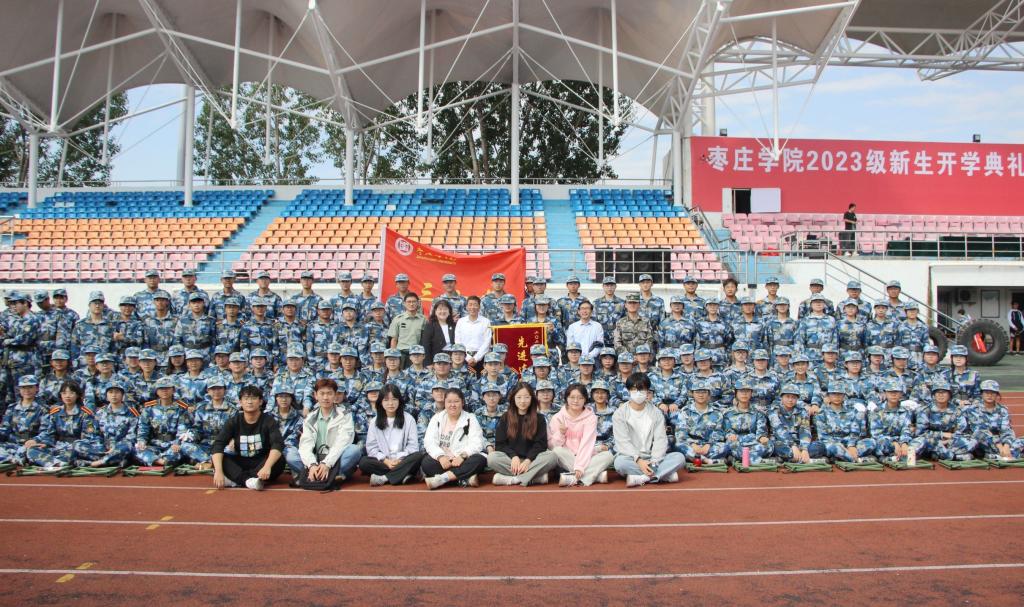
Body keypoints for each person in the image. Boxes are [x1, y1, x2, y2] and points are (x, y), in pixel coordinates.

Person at [612, 372, 686, 486]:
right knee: (620, 463)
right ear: (628, 391)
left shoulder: (656, 413)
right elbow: (623, 442)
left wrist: (654, 461)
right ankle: (662, 475)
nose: (638, 393)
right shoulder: (619, 414)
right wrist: (639, 460)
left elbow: (660, 439)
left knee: (679, 458)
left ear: (647, 391)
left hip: (652, 456)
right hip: (630, 457)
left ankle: (643, 477)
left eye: (642, 389)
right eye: (634, 389)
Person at [211, 385, 285, 490]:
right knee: (218, 458)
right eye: (246, 399)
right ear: (240, 402)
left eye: (253, 398)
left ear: (260, 402)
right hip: (241, 461)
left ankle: (237, 480)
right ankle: (250, 481)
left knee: (279, 460)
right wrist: (218, 472)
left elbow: (277, 444)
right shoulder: (234, 421)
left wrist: (267, 466)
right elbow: (218, 444)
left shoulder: (268, 421)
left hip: (261, 462)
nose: (249, 402)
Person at [488, 383, 559, 486]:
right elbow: (500, 444)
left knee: (552, 457)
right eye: (519, 397)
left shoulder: (539, 418)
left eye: (526, 397)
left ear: (532, 399)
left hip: (533, 460)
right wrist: (514, 457)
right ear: (513, 399)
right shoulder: (505, 417)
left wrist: (528, 460)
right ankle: (534, 478)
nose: (522, 401)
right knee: (492, 458)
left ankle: (514, 479)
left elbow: (541, 444)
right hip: (511, 461)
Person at [358, 384, 425, 486]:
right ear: (381, 402)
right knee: (364, 462)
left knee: (418, 456)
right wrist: (386, 461)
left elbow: (413, 446)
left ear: (399, 401)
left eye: (394, 399)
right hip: (384, 462)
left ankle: (384, 478)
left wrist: (398, 460)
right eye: (386, 400)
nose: (390, 403)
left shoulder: (409, 419)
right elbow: (371, 448)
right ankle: (402, 474)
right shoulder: (374, 421)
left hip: (403, 460)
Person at [421, 388, 487, 489]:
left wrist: (462, 456)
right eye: (449, 402)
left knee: (479, 460)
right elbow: (429, 442)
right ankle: (464, 479)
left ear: (462, 402)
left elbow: (477, 442)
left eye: (456, 401)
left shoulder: (470, 418)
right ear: (444, 403)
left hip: (462, 461)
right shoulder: (437, 418)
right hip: (443, 461)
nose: (453, 405)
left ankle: (443, 478)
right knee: (426, 463)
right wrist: (441, 457)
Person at [298, 378, 360, 486]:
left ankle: (325, 474)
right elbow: (306, 444)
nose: (325, 397)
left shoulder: (345, 414)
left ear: (335, 395)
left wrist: (327, 463)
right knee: (292, 455)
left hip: (336, 458)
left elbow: (343, 442)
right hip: (316, 458)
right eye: (322, 393)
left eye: (329, 393)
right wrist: (312, 464)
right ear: (315, 395)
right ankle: (324, 473)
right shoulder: (310, 418)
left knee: (354, 450)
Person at [548, 384, 613, 486]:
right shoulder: (558, 417)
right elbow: (552, 445)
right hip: (567, 456)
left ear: (585, 399)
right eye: (572, 397)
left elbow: (587, 443)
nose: (576, 401)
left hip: (587, 455)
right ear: (566, 398)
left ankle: (574, 478)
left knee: (608, 455)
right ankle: (594, 476)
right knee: (556, 451)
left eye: (580, 398)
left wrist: (580, 466)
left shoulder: (591, 418)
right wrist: (561, 433)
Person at [388, 292, 426, 368]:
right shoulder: (398, 319)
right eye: (409, 302)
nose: (411, 304)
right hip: (401, 354)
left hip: (416, 355)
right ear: (404, 303)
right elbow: (394, 339)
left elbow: (425, 340)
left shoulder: (423, 320)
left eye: (414, 301)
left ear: (418, 303)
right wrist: (394, 355)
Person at [454, 296, 491, 370]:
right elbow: (458, 341)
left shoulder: (486, 321)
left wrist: (476, 358)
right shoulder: (461, 321)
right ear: (466, 307)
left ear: (479, 307)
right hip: (464, 358)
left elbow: (487, 342)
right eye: (470, 304)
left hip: (481, 358)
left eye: (475, 305)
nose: (472, 307)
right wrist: (467, 358)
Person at [420, 299, 456, 364]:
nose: (442, 311)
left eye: (445, 309)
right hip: (436, 360)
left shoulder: (454, 326)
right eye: (440, 309)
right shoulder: (430, 326)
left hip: (453, 359)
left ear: (449, 312)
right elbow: (426, 346)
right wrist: (428, 363)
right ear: (435, 312)